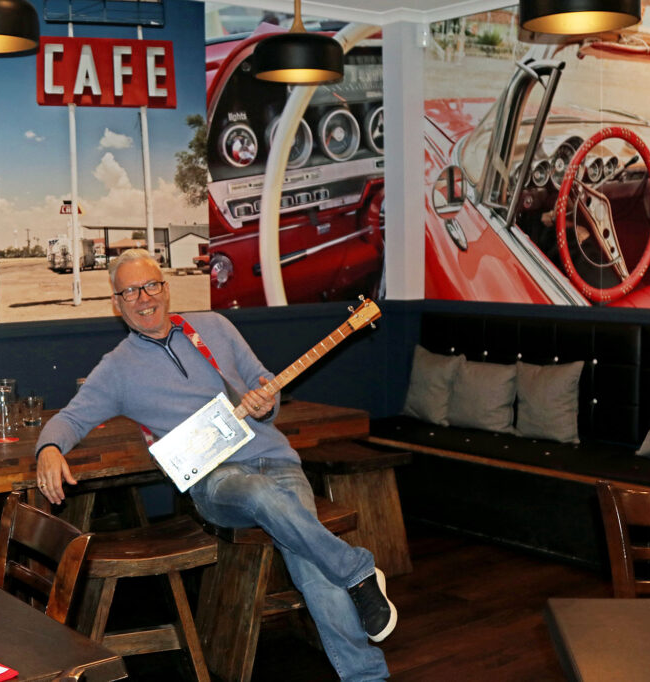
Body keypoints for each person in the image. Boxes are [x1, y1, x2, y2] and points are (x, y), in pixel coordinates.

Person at [35, 248, 395, 681]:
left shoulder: (215, 328)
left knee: (311, 565)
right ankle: (356, 569)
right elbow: (70, 418)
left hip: (276, 460)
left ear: (166, 289)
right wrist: (49, 449)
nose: (143, 297)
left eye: (151, 285)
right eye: (130, 291)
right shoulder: (116, 370)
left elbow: (267, 387)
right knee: (263, 497)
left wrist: (265, 401)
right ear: (116, 302)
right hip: (216, 480)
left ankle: (367, 676)